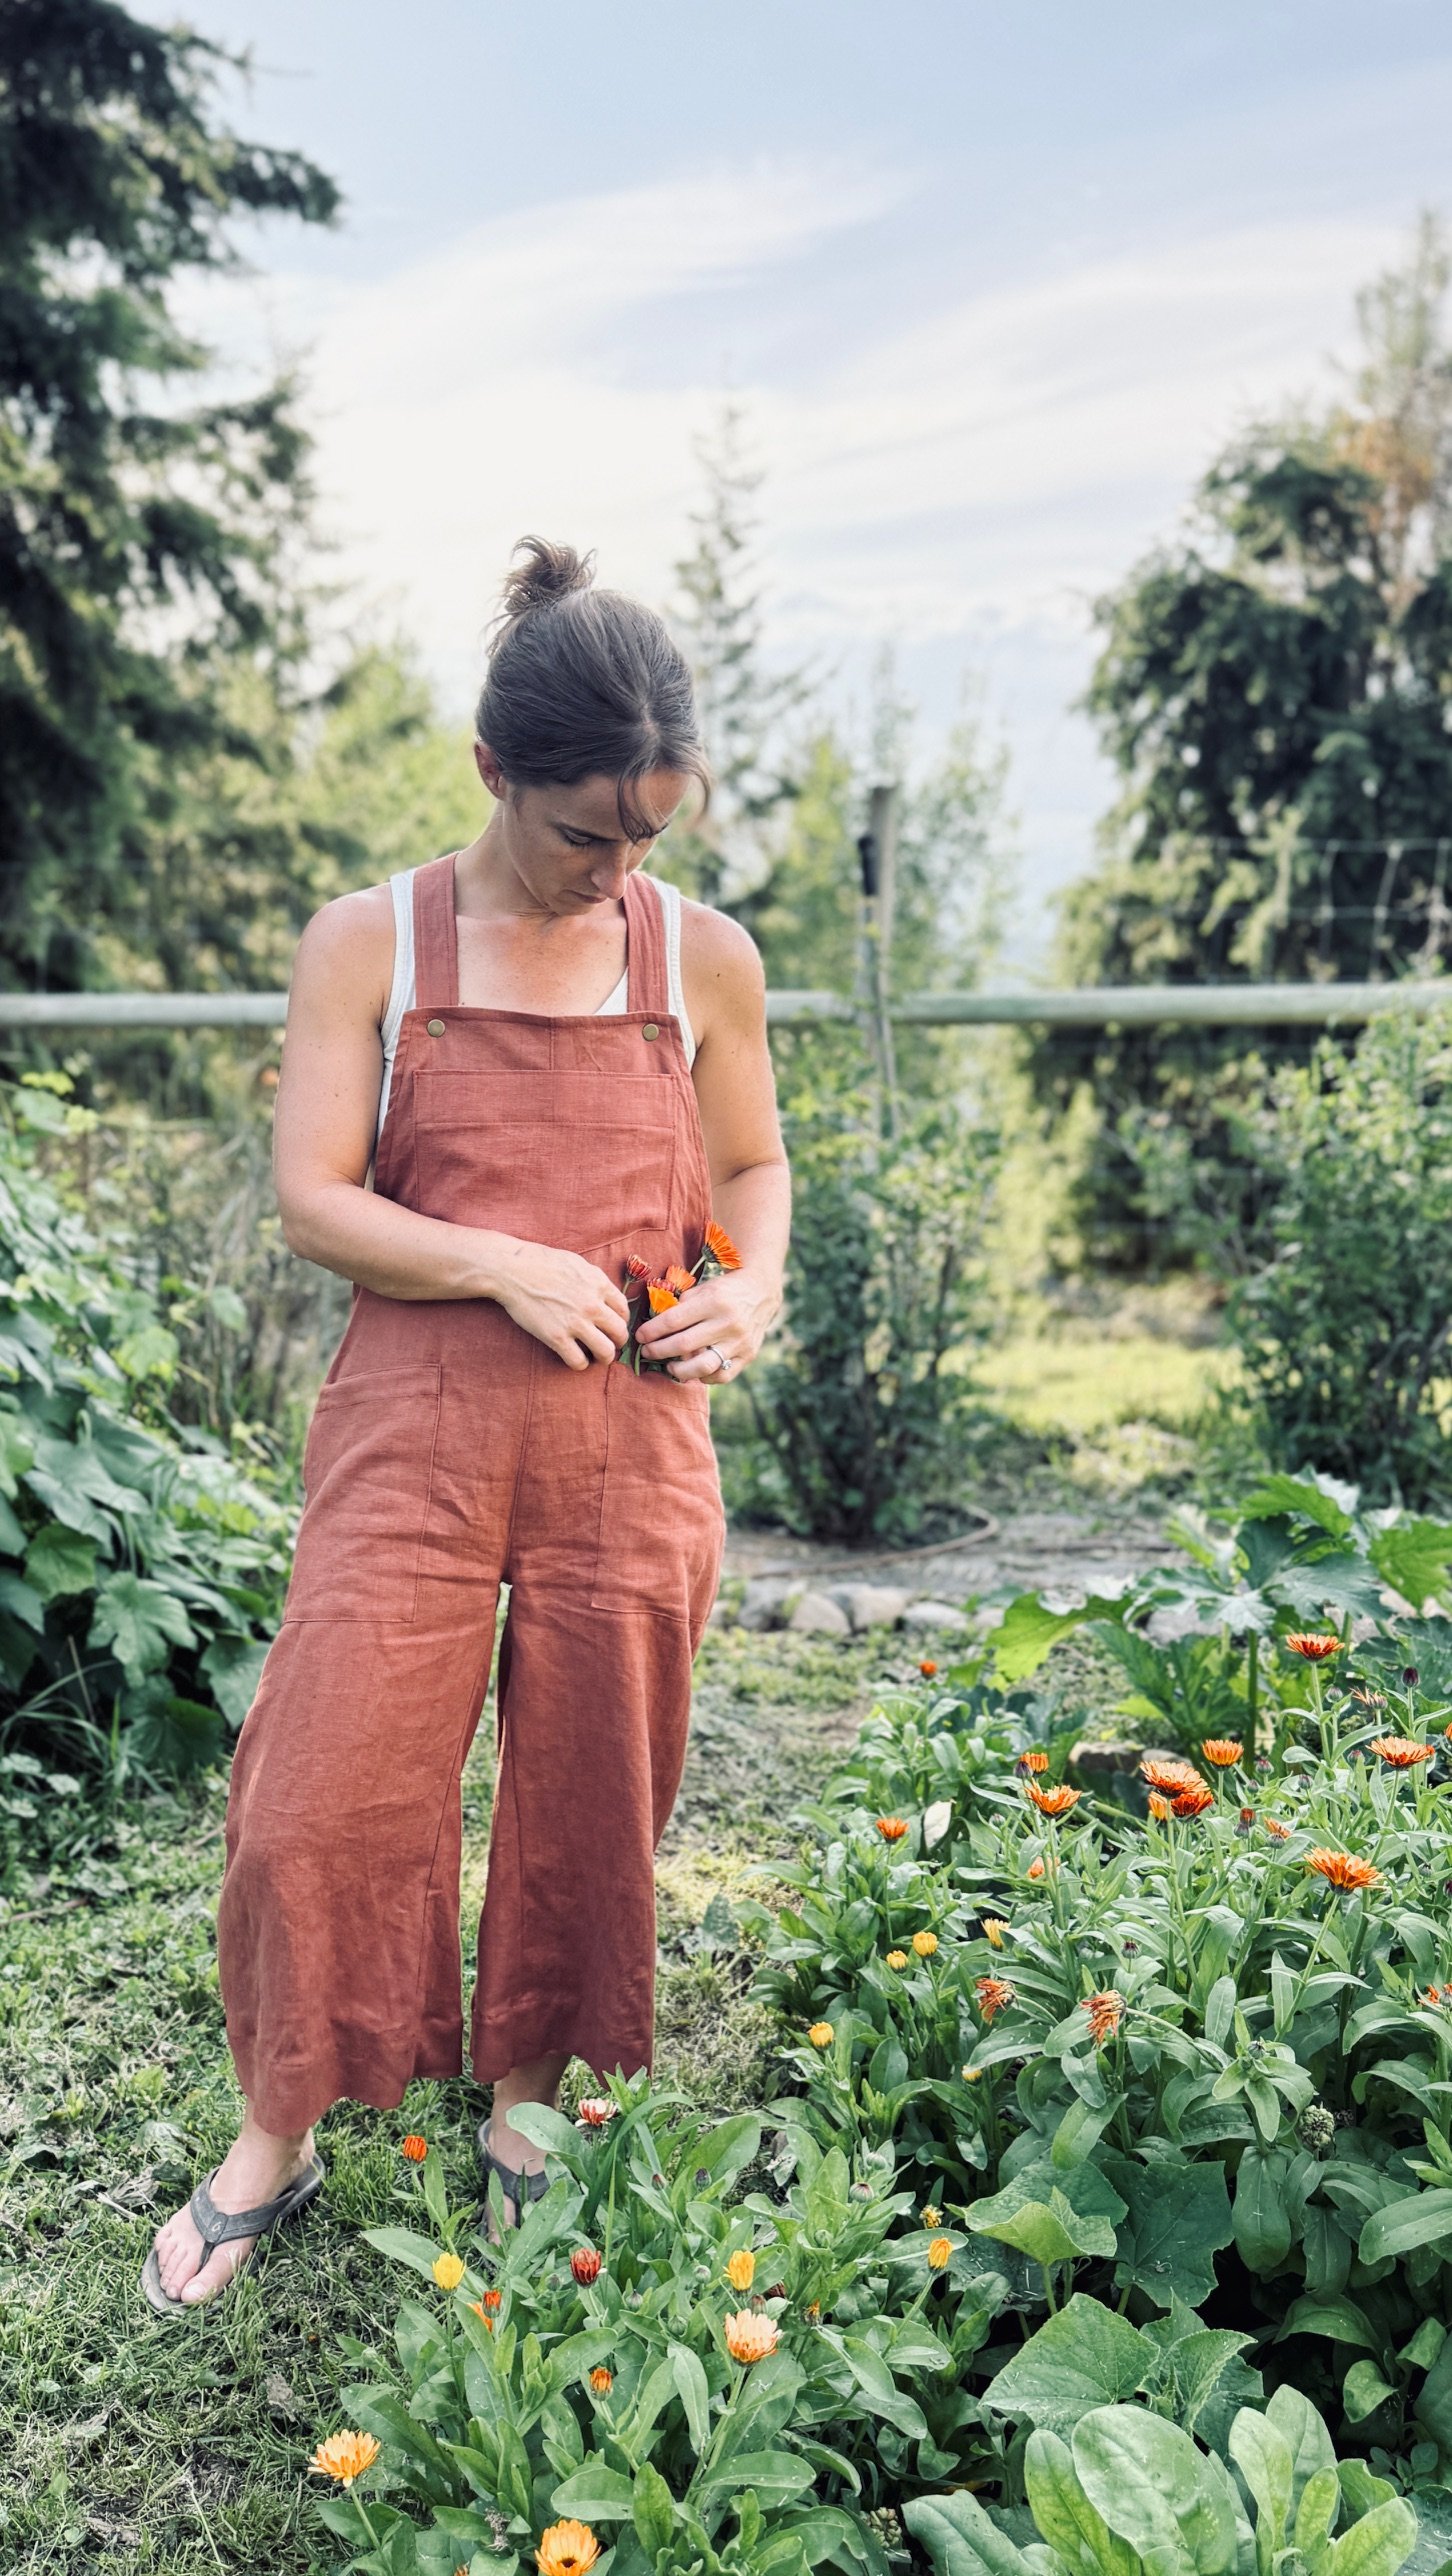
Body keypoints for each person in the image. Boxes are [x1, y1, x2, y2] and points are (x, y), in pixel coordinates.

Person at [142, 537, 790, 2314]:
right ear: (493, 771)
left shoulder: (701, 956)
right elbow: (312, 1201)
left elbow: (750, 1165)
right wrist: (502, 1260)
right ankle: (279, 2119)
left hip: (635, 1439)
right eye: (588, 829)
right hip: (416, 1429)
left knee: (596, 1787)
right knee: (320, 1791)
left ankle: (521, 2100)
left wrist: (754, 1283)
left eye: (652, 829)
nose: (620, 864)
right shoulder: (375, 944)